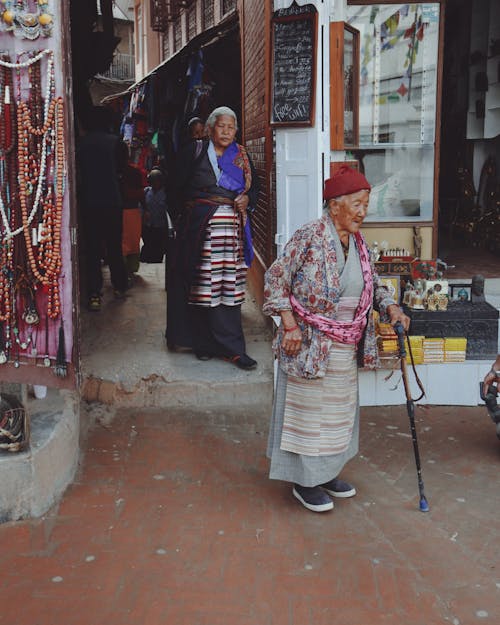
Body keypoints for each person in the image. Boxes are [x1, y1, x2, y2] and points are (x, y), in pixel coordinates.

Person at [262, 165, 410, 513]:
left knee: (336, 415)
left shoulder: (359, 245)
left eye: (366, 203)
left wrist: (391, 307)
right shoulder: (310, 235)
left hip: (344, 347)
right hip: (309, 343)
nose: (363, 211)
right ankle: (304, 481)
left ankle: (325, 473)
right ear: (334, 205)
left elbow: (374, 284)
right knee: (308, 415)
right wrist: (289, 325)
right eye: (357, 203)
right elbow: (275, 278)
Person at [166, 106, 259, 370]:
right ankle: (203, 343)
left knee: (228, 286)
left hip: (231, 233)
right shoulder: (193, 152)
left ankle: (233, 348)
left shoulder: (241, 156)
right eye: (222, 126)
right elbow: (175, 189)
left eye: (232, 127)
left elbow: (256, 189)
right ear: (210, 129)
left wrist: (246, 199)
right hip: (200, 231)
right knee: (203, 286)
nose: (227, 131)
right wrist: (183, 223)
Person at [78, 106, 129, 311]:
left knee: (93, 249)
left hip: (90, 202)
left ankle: (94, 294)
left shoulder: (81, 144)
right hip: (112, 201)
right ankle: (119, 286)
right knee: (114, 245)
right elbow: (122, 170)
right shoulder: (116, 143)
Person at [140, 168, 170, 264]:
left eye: (156, 181)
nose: (155, 183)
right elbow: (141, 206)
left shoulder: (166, 194)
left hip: (160, 225)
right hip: (148, 225)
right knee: (147, 245)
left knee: (158, 248)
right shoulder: (146, 192)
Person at [121, 162, 145, 283]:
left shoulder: (117, 172)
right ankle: (130, 268)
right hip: (133, 210)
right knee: (133, 241)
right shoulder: (135, 172)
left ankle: (125, 269)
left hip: (121, 210)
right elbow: (141, 193)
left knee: (124, 241)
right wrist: (146, 209)